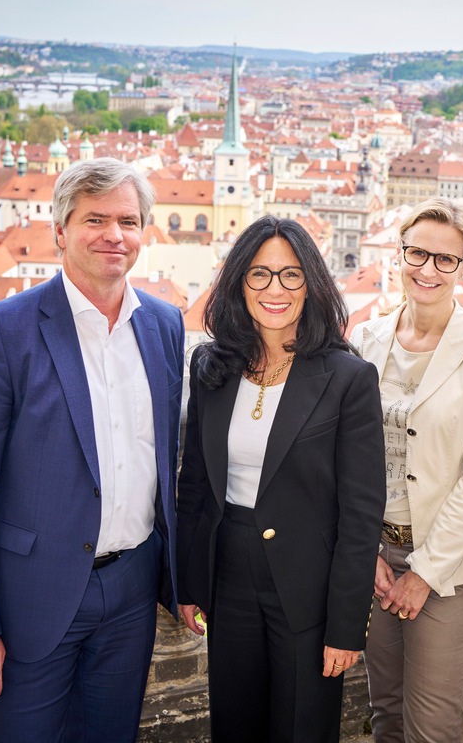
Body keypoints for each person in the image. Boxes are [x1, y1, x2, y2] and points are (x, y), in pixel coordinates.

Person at [0, 157, 185, 742]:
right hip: (32, 597)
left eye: (127, 220)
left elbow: (166, 464)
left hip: (132, 586)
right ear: (60, 231)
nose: (113, 235)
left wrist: (180, 578)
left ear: (144, 231)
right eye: (95, 219)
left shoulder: (164, 325)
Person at [176, 216, 385, 742]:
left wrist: (345, 626)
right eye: (260, 274)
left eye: (291, 275)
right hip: (229, 573)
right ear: (238, 283)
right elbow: (195, 485)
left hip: (308, 584)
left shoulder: (347, 378)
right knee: (235, 721)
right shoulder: (213, 366)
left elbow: (360, 516)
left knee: (303, 727)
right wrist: (186, 582)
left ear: (311, 283)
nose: (275, 290)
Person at [351, 199, 463, 742]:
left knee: (431, 723)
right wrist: (366, 551)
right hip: (373, 554)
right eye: (417, 253)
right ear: (398, 253)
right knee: (386, 709)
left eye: (445, 259)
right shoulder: (365, 340)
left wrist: (424, 571)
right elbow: (346, 458)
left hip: (448, 562)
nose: (427, 269)